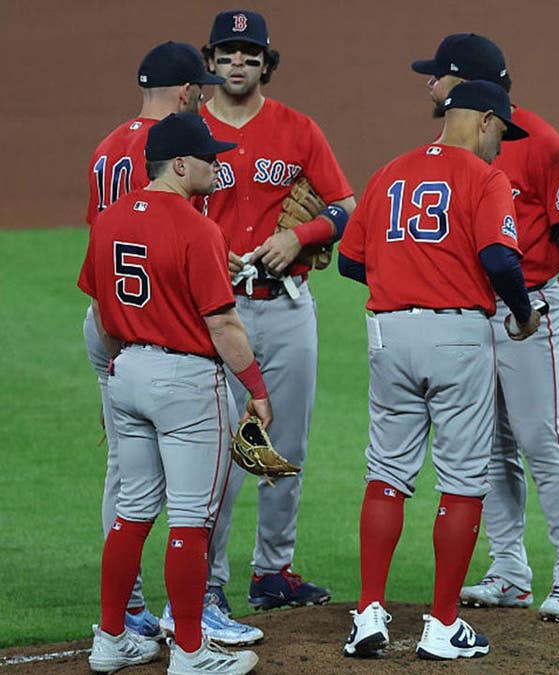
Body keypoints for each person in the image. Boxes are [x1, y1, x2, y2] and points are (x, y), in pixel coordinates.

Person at [338, 79, 539, 661]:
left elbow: (352, 261)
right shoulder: (484, 178)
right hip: (456, 337)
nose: (501, 145)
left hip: (389, 336)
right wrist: (521, 314)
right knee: (462, 478)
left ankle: (369, 612)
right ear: (481, 121)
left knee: (387, 472)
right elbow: (499, 257)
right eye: (501, 130)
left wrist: (406, 273)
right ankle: (444, 624)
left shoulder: (389, 172)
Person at [411, 32, 559, 621]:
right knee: (489, 449)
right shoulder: (445, 153)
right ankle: (510, 570)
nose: (429, 85)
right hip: (470, 312)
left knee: (541, 440)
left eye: (437, 76)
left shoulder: (538, 142)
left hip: (531, 309)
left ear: (463, 84)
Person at [80, 112, 264, 675]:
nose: (219, 164)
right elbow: (225, 325)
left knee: (132, 512)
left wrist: (119, 373)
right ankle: (190, 650)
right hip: (185, 383)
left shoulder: (109, 221)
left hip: (125, 372)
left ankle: (111, 640)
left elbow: (101, 313)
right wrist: (256, 390)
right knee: (190, 518)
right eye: (210, 157)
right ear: (180, 165)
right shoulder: (197, 229)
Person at [193, 8, 355, 617]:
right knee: (220, 451)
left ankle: (272, 572)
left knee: (284, 445)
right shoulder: (189, 131)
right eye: (228, 53)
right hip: (215, 312)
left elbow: (346, 206)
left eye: (250, 54)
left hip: (287, 308)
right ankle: (209, 581)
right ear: (210, 62)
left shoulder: (298, 129)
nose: (239, 63)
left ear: (266, 64)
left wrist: (301, 235)